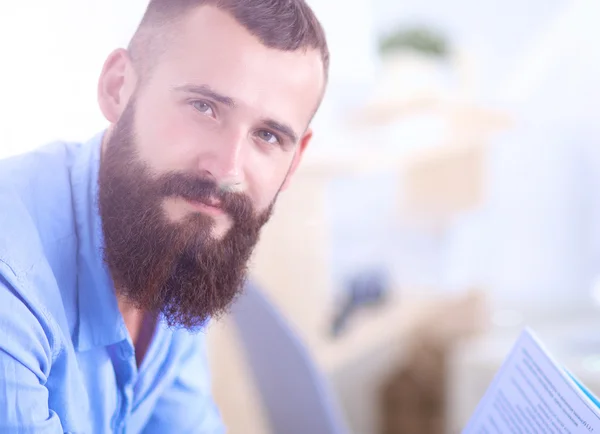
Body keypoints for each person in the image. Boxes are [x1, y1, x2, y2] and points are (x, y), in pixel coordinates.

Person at [0, 0, 329, 432]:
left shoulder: (173, 243)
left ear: (295, 160)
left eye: (267, 136)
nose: (226, 171)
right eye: (203, 107)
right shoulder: (13, 280)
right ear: (119, 88)